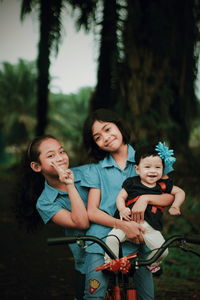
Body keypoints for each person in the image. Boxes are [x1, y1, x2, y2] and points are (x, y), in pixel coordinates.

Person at [81, 108, 175, 300]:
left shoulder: (150, 157)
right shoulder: (95, 170)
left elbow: (169, 195)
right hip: (102, 241)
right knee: (94, 295)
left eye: (107, 129)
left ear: (119, 125)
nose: (105, 138)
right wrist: (123, 224)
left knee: (146, 297)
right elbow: (91, 211)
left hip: (141, 240)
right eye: (97, 137)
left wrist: (145, 199)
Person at [16, 135, 89, 300]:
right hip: (86, 263)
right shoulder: (45, 203)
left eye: (61, 152)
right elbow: (81, 222)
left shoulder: (88, 173)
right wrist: (70, 185)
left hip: (118, 252)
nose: (60, 158)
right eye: (51, 156)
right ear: (36, 166)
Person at [104, 143, 185, 276]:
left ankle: (151, 264)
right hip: (127, 222)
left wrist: (175, 205)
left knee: (163, 250)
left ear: (163, 169)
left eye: (157, 167)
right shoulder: (132, 182)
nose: (152, 171)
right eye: (147, 167)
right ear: (137, 169)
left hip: (150, 226)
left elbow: (180, 192)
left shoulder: (162, 185)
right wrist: (122, 208)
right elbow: (120, 197)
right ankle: (111, 262)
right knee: (112, 238)